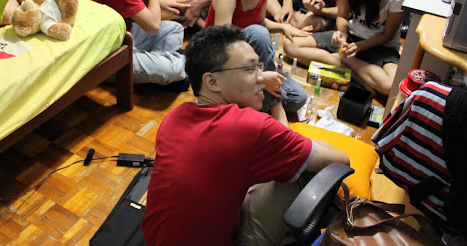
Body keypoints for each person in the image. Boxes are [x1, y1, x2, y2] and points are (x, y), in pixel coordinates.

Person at [141, 25, 350, 245]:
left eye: (260, 67)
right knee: (300, 172)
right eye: (250, 69)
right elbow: (341, 160)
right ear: (212, 81)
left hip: (154, 239)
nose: (262, 78)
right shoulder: (250, 127)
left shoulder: (174, 116)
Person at [283, 0, 408, 96]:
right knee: (289, 45)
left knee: (393, 86)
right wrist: (342, 34)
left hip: (381, 46)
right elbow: (342, 16)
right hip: (351, 38)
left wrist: (358, 48)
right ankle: (357, 76)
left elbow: (387, 35)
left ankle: (344, 62)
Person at [204, 0, 311, 113]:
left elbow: (260, 21)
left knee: (297, 98)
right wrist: (258, 76)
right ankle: (266, 103)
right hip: (225, 63)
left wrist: (283, 27)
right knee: (259, 34)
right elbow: (221, 46)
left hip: (250, 59)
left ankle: (251, 99)